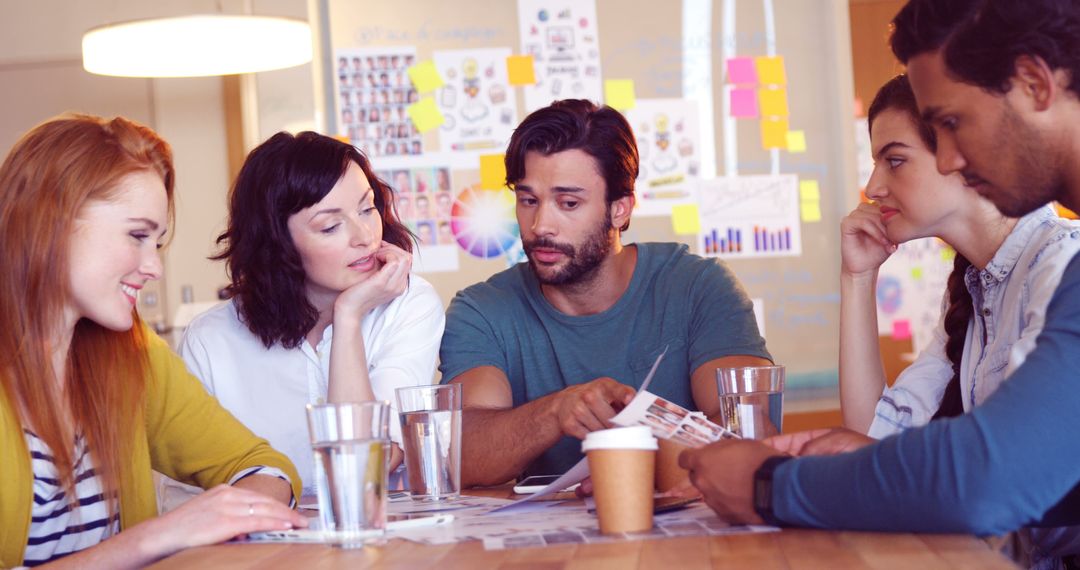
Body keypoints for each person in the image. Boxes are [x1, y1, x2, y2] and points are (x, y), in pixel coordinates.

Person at [679, 0, 1080, 539]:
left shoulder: (1058, 261)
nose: (950, 158)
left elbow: (991, 475)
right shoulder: (977, 286)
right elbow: (1001, 465)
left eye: (952, 124)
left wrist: (771, 484)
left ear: (1034, 84)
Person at [0, 114, 305, 568]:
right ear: (52, 219)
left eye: (157, 243)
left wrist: (227, 514)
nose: (154, 267)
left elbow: (265, 466)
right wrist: (156, 537)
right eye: (137, 236)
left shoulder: (134, 357)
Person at [439, 99, 771, 486]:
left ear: (620, 210)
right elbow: (460, 456)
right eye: (528, 200)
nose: (541, 224)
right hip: (547, 545)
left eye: (569, 203)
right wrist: (555, 412)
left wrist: (630, 475)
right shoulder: (480, 310)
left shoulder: (700, 287)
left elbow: (750, 429)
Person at [839, 74, 1080, 565]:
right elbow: (873, 437)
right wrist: (856, 279)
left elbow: (1003, 473)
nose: (872, 187)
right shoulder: (974, 289)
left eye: (895, 160)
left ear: (960, 154)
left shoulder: (1059, 265)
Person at [179, 132, 444, 496]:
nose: (365, 236)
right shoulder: (210, 340)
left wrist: (348, 315)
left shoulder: (409, 304)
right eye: (331, 226)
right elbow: (194, 497)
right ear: (277, 243)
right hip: (261, 546)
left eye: (368, 209)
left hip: (381, 540)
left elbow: (366, 469)